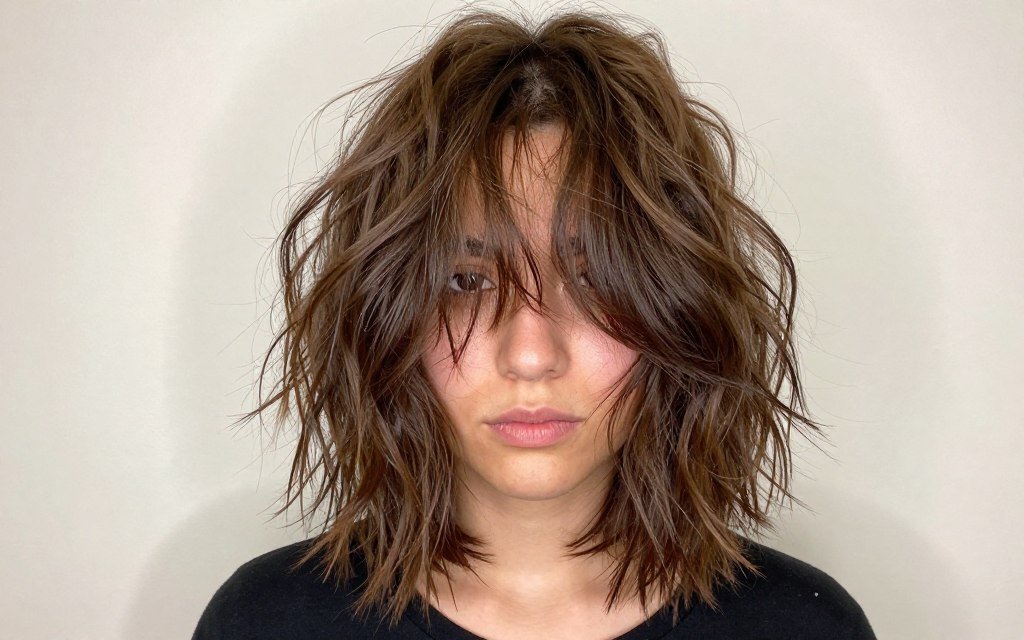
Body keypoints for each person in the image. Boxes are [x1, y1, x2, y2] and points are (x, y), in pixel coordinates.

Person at [192, 7, 876, 639]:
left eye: (592, 281)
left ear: (681, 311)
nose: (530, 355)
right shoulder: (264, 622)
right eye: (467, 282)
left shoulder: (804, 627)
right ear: (388, 317)